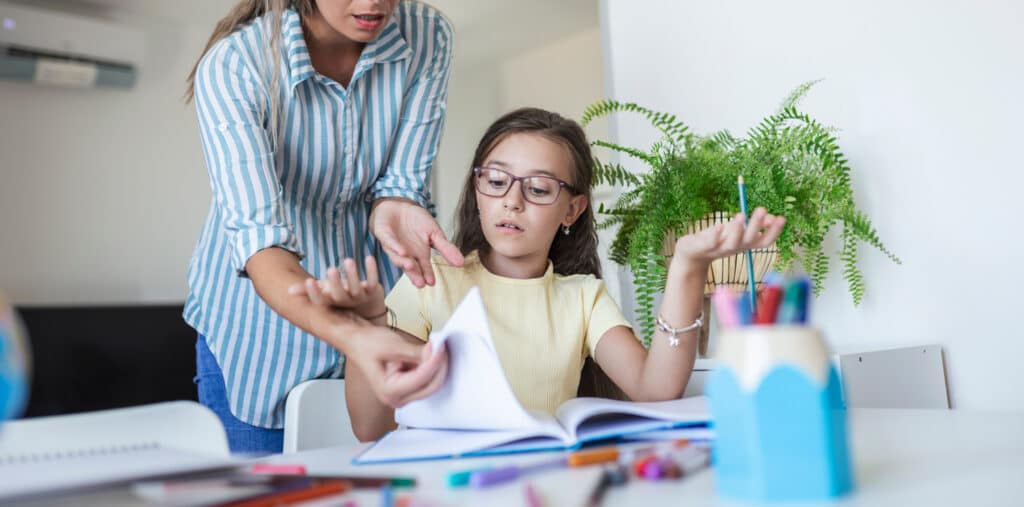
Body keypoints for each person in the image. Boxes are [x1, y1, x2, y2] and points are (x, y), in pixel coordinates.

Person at [183, 0, 461, 453]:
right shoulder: (237, 67)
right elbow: (261, 246)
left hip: (378, 317)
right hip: (256, 335)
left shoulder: (427, 38)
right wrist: (353, 336)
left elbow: (400, 186)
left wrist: (398, 212)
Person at [296, 108, 786, 441]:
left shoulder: (583, 297)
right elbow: (370, 427)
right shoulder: (433, 280)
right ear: (478, 188)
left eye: (538, 188)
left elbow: (656, 389)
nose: (512, 200)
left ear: (572, 209)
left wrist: (687, 266)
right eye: (496, 180)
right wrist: (367, 329)